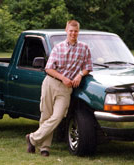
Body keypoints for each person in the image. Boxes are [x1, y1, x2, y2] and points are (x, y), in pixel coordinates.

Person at [25, 20, 93, 157]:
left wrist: (80, 75)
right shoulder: (58, 47)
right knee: (46, 116)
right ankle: (45, 148)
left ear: (78, 32)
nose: (73, 33)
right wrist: (63, 78)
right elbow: (48, 68)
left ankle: (32, 138)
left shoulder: (84, 48)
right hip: (51, 83)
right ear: (66, 31)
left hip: (66, 89)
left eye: (75, 31)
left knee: (57, 116)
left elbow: (88, 67)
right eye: (71, 31)